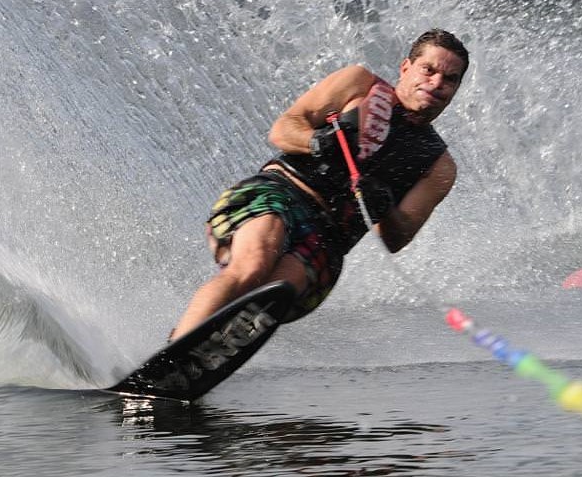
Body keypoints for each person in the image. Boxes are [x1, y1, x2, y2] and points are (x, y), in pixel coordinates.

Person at [170, 29, 469, 339]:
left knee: (280, 288)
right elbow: (283, 130)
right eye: (428, 70)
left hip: (329, 238)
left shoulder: (438, 166)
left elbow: (397, 237)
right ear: (406, 67)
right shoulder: (359, 84)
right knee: (254, 265)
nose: (436, 84)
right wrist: (319, 142)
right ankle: (177, 346)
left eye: (449, 79)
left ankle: (200, 358)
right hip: (278, 194)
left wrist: (383, 205)